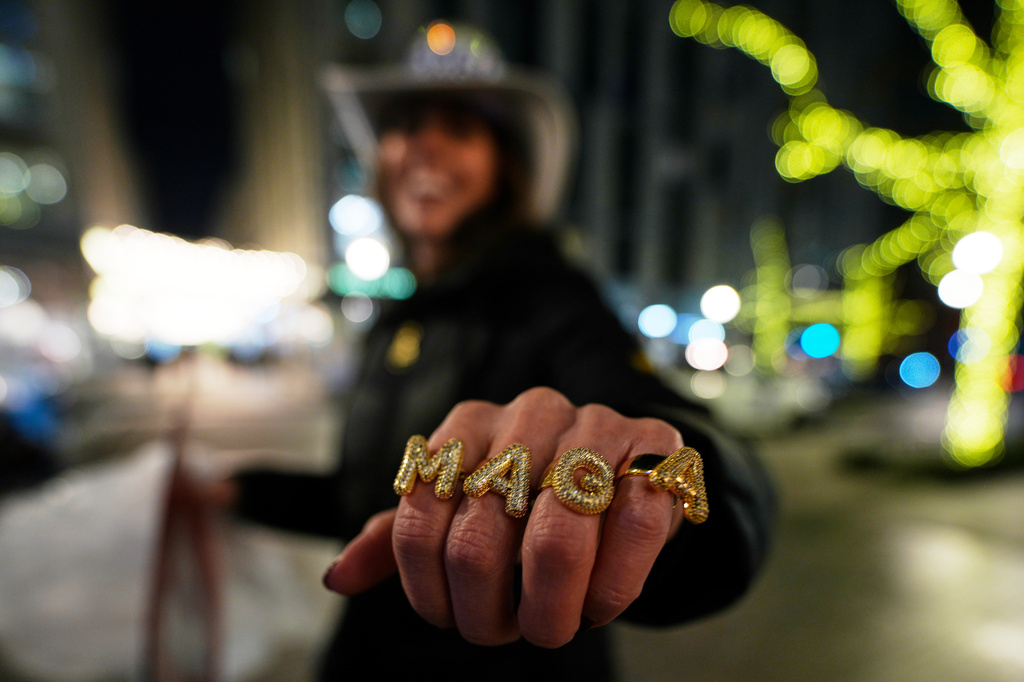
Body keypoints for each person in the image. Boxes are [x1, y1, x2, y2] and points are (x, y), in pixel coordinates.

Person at [230, 22, 774, 681]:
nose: (423, 146)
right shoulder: (396, 319)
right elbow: (367, 502)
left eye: (458, 131)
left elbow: (679, 437)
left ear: (505, 166)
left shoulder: (550, 296)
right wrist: (234, 490)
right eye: (404, 127)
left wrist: (674, 491)